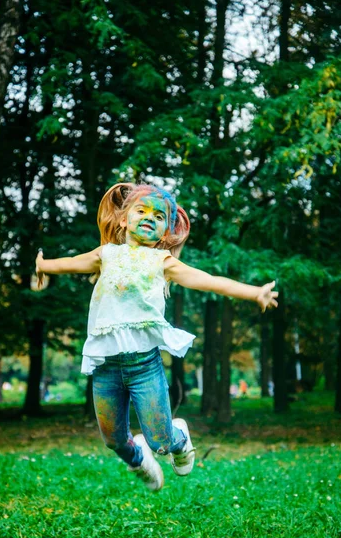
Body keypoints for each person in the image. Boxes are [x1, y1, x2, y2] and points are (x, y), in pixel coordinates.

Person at [35, 183, 278, 492]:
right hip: (105, 367)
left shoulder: (162, 263)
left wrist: (254, 292)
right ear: (123, 220)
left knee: (160, 441)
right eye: (141, 210)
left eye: (159, 215)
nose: (149, 217)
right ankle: (138, 460)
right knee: (112, 440)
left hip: (143, 365)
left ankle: (179, 438)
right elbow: (69, 264)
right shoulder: (106, 255)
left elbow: (210, 281)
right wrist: (43, 265)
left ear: (165, 230)